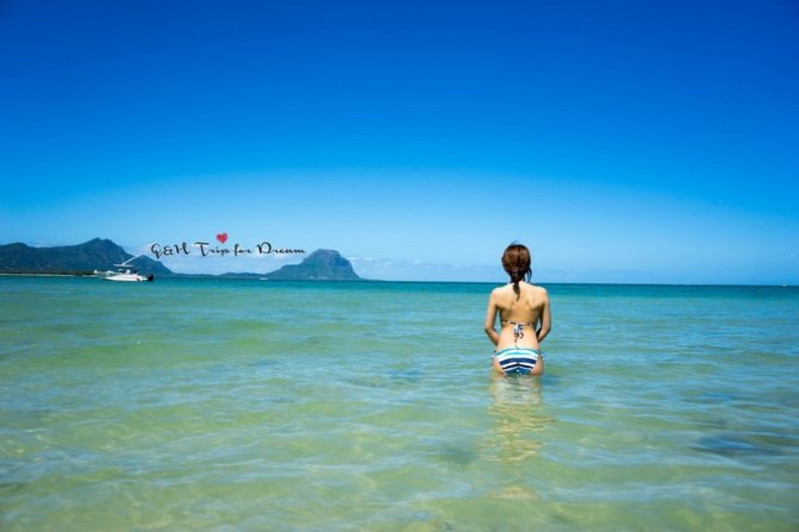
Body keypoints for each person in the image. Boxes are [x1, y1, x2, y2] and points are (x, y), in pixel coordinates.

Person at [484, 243, 551, 376]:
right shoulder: (541, 293)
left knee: (502, 397)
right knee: (532, 396)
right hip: (531, 352)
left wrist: (503, 344)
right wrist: (530, 342)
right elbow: (546, 328)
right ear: (528, 265)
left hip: (504, 352)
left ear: (505, 265)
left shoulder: (497, 293)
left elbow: (488, 328)